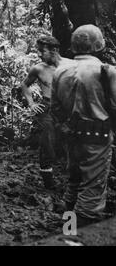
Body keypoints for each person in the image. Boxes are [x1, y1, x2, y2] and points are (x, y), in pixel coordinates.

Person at [51, 25, 116, 227]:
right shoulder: (107, 71)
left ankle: (68, 230)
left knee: (74, 182)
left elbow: (55, 109)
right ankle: (81, 233)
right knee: (92, 190)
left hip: (71, 135)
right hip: (98, 137)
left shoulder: (60, 71)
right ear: (98, 45)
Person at [21, 35, 73, 189]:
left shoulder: (71, 66)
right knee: (47, 142)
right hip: (47, 107)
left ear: (54, 50)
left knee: (70, 142)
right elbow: (24, 85)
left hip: (67, 108)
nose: (39, 54)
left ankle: (73, 181)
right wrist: (31, 103)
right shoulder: (38, 68)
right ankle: (49, 183)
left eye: (42, 51)